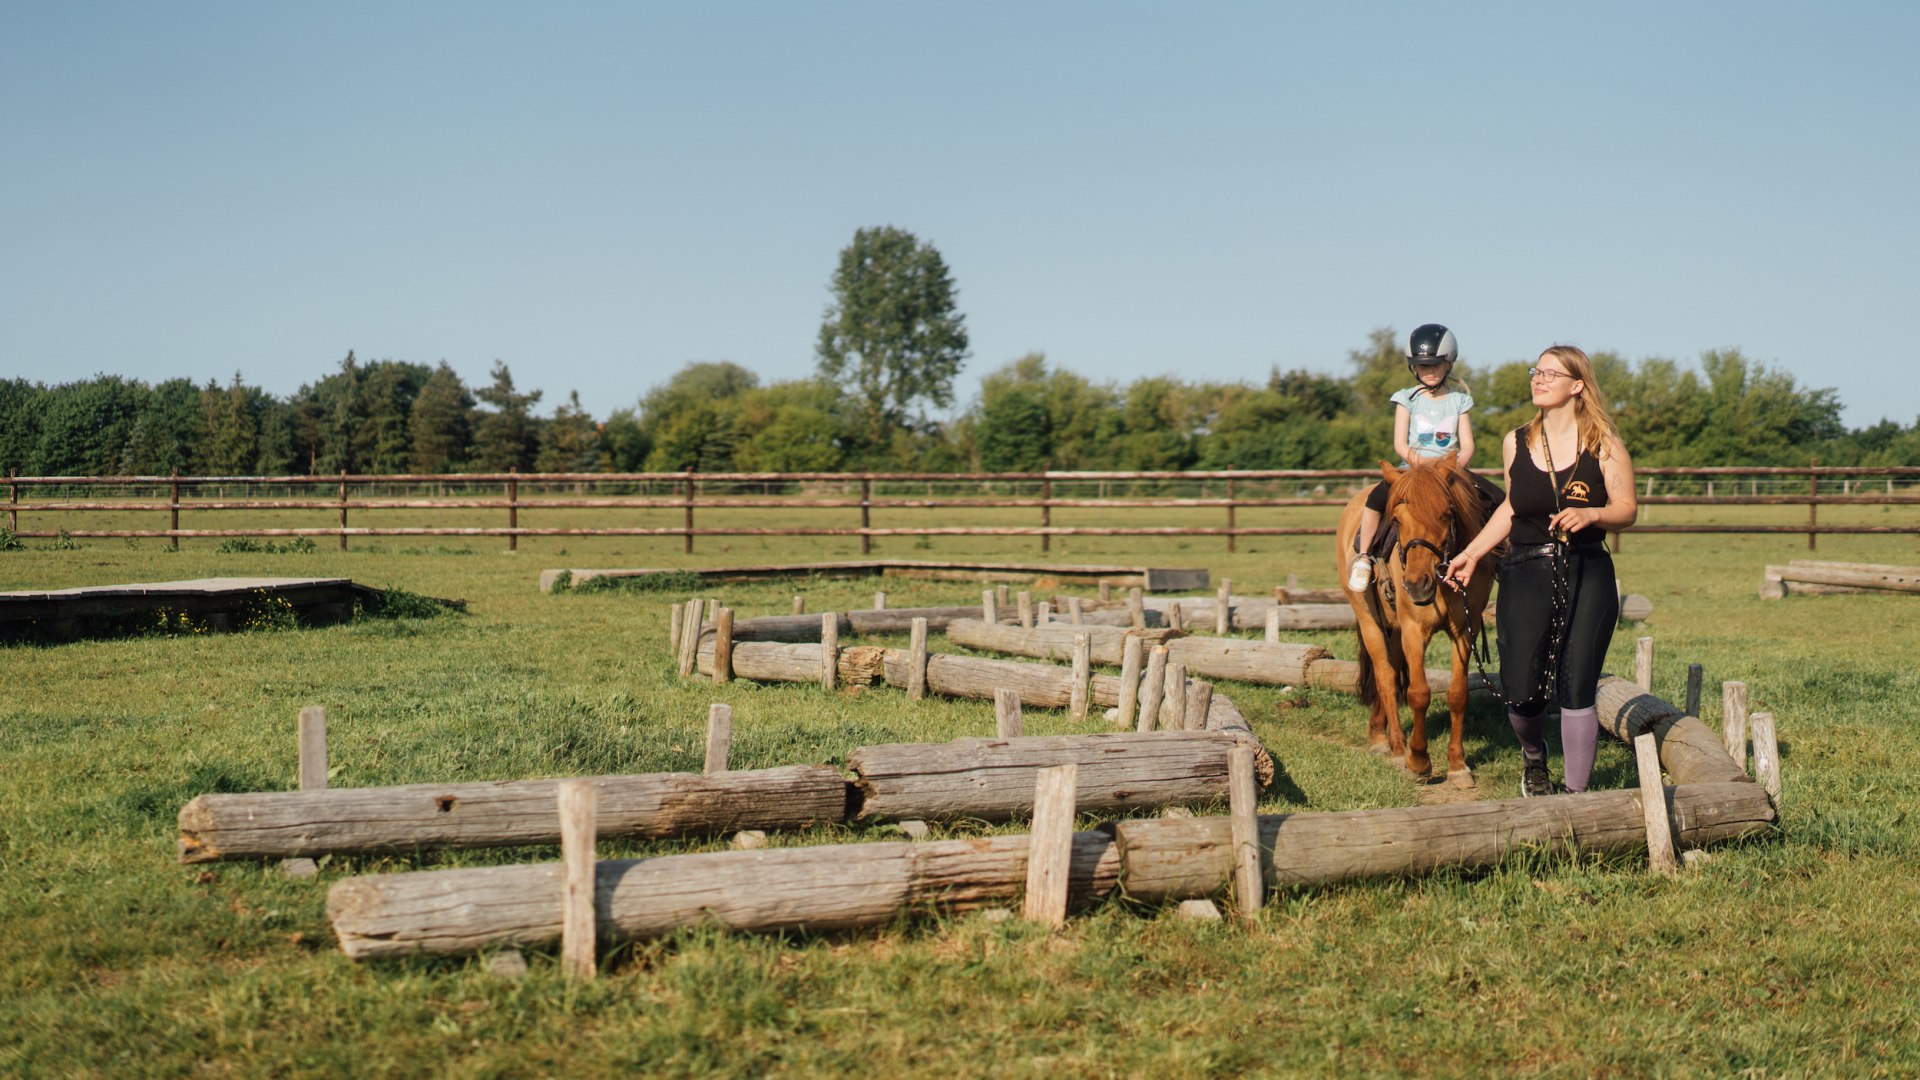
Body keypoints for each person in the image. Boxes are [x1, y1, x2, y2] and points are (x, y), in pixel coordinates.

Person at [1443, 344, 1639, 797]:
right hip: (1525, 570)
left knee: (1577, 684)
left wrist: (1593, 515)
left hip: (1586, 571)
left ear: (1577, 386)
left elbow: (1627, 508)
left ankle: (1576, 798)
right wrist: (1472, 554)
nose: (1539, 378)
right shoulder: (1516, 441)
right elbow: (1513, 505)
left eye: (1551, 373)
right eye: (1537, 371)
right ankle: (1535, 758)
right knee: (1522, 690)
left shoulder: (1603, 443)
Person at [1347, 323, 1478, 591]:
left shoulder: (1459, 401)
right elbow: (1400, 443)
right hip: (1412, 470)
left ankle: (1501, 558)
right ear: (1413, 367)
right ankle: (1364, 556)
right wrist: (1421, 468)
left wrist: (1453, 468)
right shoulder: (1406, 399)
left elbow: (1467, 446)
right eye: (1422, 366)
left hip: (1449, 472)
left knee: (1492, 498)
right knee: (1375, 499)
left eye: (1435, 365)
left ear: (1448, 363)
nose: (1429, 371)